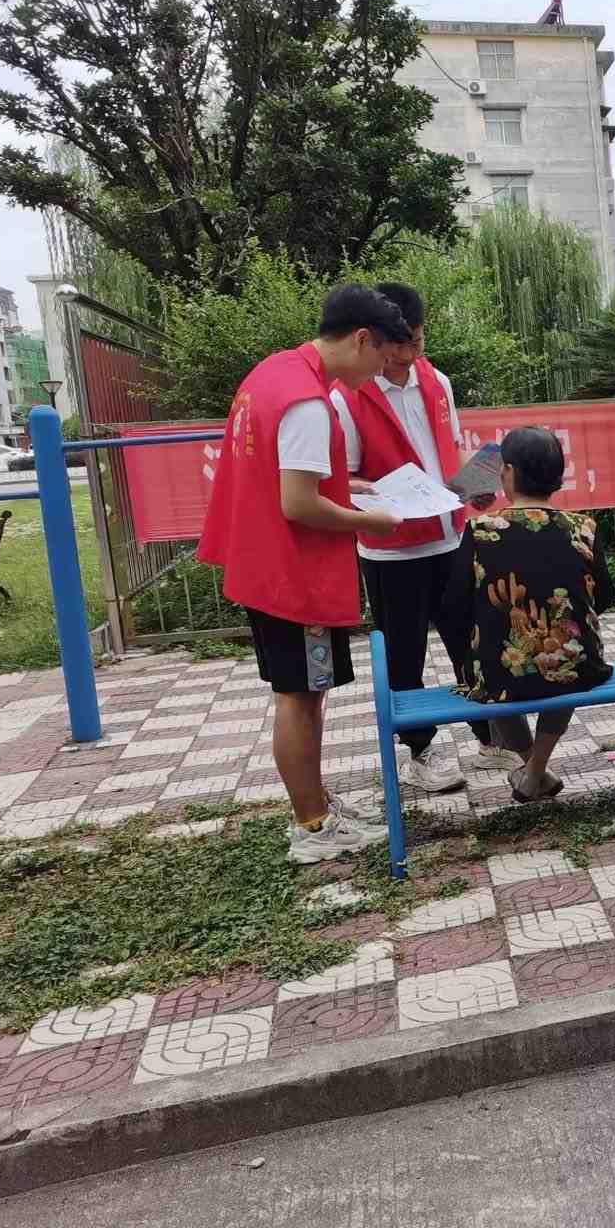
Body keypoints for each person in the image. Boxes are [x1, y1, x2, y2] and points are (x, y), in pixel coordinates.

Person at [196, 284, 407, 864]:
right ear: (361, 339)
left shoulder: (273, 372)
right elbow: (299, 503)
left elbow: (286, 474)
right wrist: (369, 519)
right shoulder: (309, 402)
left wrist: (347, 485)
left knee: (300, 692)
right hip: (295, 575)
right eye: (381, 356)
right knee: (300, 697)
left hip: (265, 563)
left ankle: (316, 806)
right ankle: (312, 827)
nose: (379, 372)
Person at [329, 282, 521, 795]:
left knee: (471, 640)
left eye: (418, 340)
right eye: (400, 346)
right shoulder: (347, 397)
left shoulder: (438, 381)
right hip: (390, 549)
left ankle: (488, 737)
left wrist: (476, 485)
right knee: (404, 653)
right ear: (375, 340)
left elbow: (449, 451)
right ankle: (420, 750)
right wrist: (380, 497)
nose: (410, 354)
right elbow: (343, 477)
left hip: (449, 536)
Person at [456, 426, 615, 803]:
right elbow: (605, 596)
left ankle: (532, 768)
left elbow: (456, 602)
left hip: (499, 672)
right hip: (578, 666)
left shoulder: (480, 530)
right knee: (568, 660)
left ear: (508, 472)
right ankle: (536, 768)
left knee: (491, 667)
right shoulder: (583, 527)